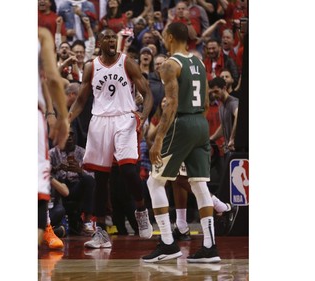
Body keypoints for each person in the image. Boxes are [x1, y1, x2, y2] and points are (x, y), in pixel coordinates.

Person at [142, 22, 221, 263]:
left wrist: (159, 139)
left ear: (168, 36)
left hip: (183, 123)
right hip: (201, 122)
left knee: (154, 182)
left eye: (164, 35)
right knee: (199, 185)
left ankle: (167, 242)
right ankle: (209, 247)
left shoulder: (169, 64)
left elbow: (172, 104)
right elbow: (206, 100)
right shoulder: (198, 61)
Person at [69, 28, 154, 248]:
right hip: (100, 120)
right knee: (100, 179)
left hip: (124, 118)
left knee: (127, 169)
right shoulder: (91, 67)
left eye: (113, 37)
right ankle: (101, 233)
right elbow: (80, 100)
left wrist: (143, 116)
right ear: (99, 42)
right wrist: (66, 120)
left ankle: (141, 210)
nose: (111, 40)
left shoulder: (127, 62)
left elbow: (148, 93)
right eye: (106, 37)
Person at [38, 27, 69, 245]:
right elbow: (53, 80)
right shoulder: (40, 34)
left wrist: (50, 111)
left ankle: (49, 227)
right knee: (37, 187)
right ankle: (45, 227)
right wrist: (63, 117)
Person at [49, 126, 96, 236]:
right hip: (59, 188)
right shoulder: (52, 153)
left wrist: (79, 171)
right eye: (66, 134)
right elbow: (43, 172)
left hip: (76, 187)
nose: (69, 137)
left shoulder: (83, 152)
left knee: (88, 179)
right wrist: (57, 168)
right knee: (57, 181)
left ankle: (87, 222)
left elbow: (92, 175)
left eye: (71, 134)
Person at [209, 76, 238, 153]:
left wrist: (232, 138)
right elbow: (223, 127)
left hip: (237, 150)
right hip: (229, 150)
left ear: (224, 88)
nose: (214, 95)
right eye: (212, 92)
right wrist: (210, 140)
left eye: (216, 91)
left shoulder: (232, 102)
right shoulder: (221, 106)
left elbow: (238, 116)